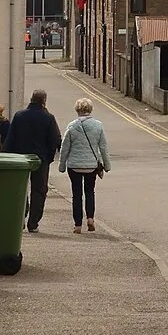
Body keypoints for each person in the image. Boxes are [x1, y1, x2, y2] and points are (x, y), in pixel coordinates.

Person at [3, 89, 62, 233]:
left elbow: (10, 138)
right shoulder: (48, 117)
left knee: (20, 189)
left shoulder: (19, 116)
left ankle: (21, 217)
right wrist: (49, 157)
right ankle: (33, 223)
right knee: (39, 190)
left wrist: (7, 156)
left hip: (20, 158)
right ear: (44, 102)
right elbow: (55, 139)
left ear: (31, 99)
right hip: (40, 159)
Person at [58, 97, 111, 234]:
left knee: (76, 195)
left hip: (74, 165)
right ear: (90, 109)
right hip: (91, 165)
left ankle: (77, 225)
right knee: (89, 192)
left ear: (77, 110)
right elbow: (103, 147)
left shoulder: (72, 126)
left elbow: (65, 148)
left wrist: (62, 165)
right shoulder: (98, 125)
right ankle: (90, 218)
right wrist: (107, 165)